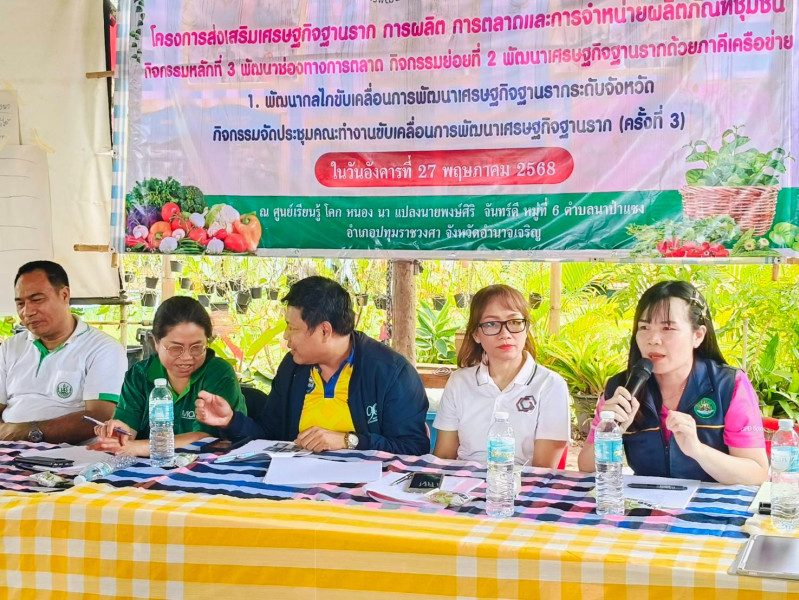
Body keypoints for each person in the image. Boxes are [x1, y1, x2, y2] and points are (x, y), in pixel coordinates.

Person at [195, 276, 430, 455]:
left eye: (293, 328)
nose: (286, 336)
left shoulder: (391, 372)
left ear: (324, 330)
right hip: (296, 488)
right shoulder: (293, 368)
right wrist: (231, 420)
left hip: (363, 491)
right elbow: (268, 435)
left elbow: (413, 447)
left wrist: (348, 441)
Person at [577, 280, 768, 485]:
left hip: (713, 503)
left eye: (667, 328)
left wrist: (698, 450)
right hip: (646, 502)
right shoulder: (621, 388)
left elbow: (756, 474)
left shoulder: (728, 385)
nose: (653, 339)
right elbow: (585, 466)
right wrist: (611, 432)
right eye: (644, 327)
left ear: (698, 336)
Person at [89, 296, 246, 455]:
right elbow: (128, 431)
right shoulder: (140, 375)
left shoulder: (217, 373)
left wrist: (138, 447)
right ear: (156, 342)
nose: (186, 357)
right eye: (176, 348)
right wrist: (119, 434)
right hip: (151, 464)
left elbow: (206, 437)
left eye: (197, 347)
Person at [433, 285, 570, 466]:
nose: (505, 334)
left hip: (523, 482)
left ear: (526, 328)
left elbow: (543, 469)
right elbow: (444, 456)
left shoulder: (550, 385)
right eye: (491, 324)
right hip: (463, 480)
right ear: (476, 334)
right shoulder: (459, 382)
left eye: (515, 322)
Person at [0, 261, 127, 444]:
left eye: (37, 299)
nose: (27, 311)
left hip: (69, 454)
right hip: (8, 449)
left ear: (64, 295)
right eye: (20, 303)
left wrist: (27, 432)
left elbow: (99, 417)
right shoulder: (10, 347)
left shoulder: (102, 348)